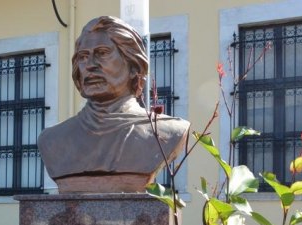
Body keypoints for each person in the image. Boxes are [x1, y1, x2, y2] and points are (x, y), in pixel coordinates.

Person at [37, 15, 191, 193]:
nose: (90, 65)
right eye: (83, 56)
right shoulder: (53, 140)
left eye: (102, 53)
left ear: (134, 65)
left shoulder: (168, 132)